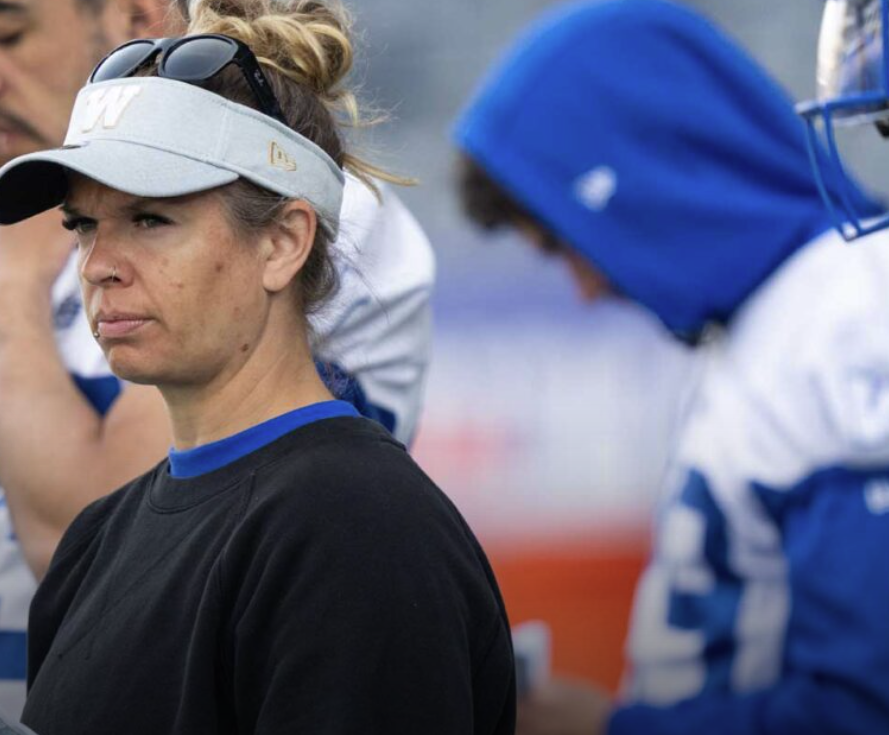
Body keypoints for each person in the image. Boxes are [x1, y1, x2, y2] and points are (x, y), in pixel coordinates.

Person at [0, 1, 515, 733]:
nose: (99, 265)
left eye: (151, 219)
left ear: (282, 242)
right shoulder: (99, 538)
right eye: (83, 224)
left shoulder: (353, 529)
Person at [454, 0, 889, 733]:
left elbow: (864, 706)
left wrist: (606, 730)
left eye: (566, 244)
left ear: (634, 176)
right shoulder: (774, 318)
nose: (585, 290)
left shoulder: (848, 315)